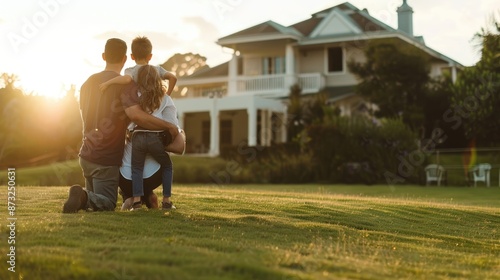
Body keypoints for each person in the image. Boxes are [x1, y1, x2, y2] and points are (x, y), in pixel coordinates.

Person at [62, 38, 179, 213]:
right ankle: (83, 196)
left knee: (93, 206)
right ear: (125, 59)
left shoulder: (87, 84)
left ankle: (83, 198)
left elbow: (85, 116)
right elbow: (137, 116)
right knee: (108, 203)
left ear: (103, 56)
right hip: (106, 157)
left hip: (86, 153)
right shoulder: (126, 84)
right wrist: (168, 126)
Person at [128, 65, 180, 211]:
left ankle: (137, 202)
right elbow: (171, 124)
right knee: (167, 165)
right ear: (157, 79)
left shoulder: (135, 95)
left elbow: (132, 120)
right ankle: (166, 201)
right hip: (154, 137)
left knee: (136, 168)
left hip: (137, 135)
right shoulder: (165, 98)